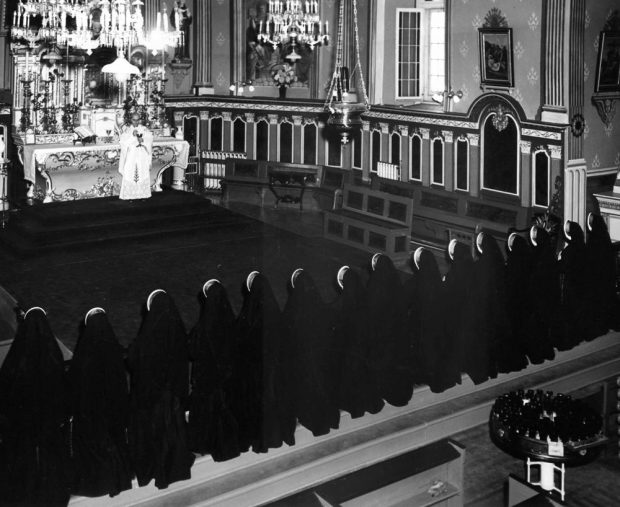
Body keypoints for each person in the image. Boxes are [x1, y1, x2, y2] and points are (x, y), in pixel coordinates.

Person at [118, 113, 153, 200]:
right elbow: (123, 143)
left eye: (138, 120)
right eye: (134, 120)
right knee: (130, 173)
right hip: (131, 155)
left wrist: (143, 140)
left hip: (142, 155)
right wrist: (132, 136)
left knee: (142, 172)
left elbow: (150, 140)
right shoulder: (127, 130)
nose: (136, 122)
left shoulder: (144, 129)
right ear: (131, 119)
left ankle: (143, 195)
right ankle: (130, 195)